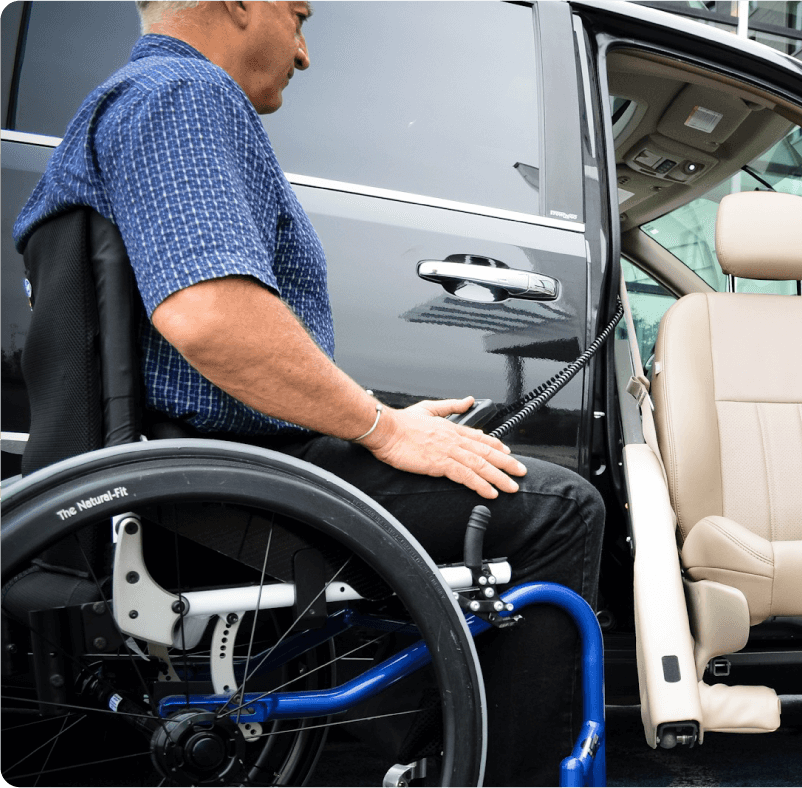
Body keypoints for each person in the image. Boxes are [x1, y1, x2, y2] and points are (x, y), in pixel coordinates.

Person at [11, 1, 604, 784]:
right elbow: (211, 317)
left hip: (180, 462)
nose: (303, 51)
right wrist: (381, 428)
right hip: (217, 480)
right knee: (556, 510)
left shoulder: (122, 107)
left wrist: (373, 421)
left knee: (474, 462)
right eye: (297, 15)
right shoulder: (181, 95)